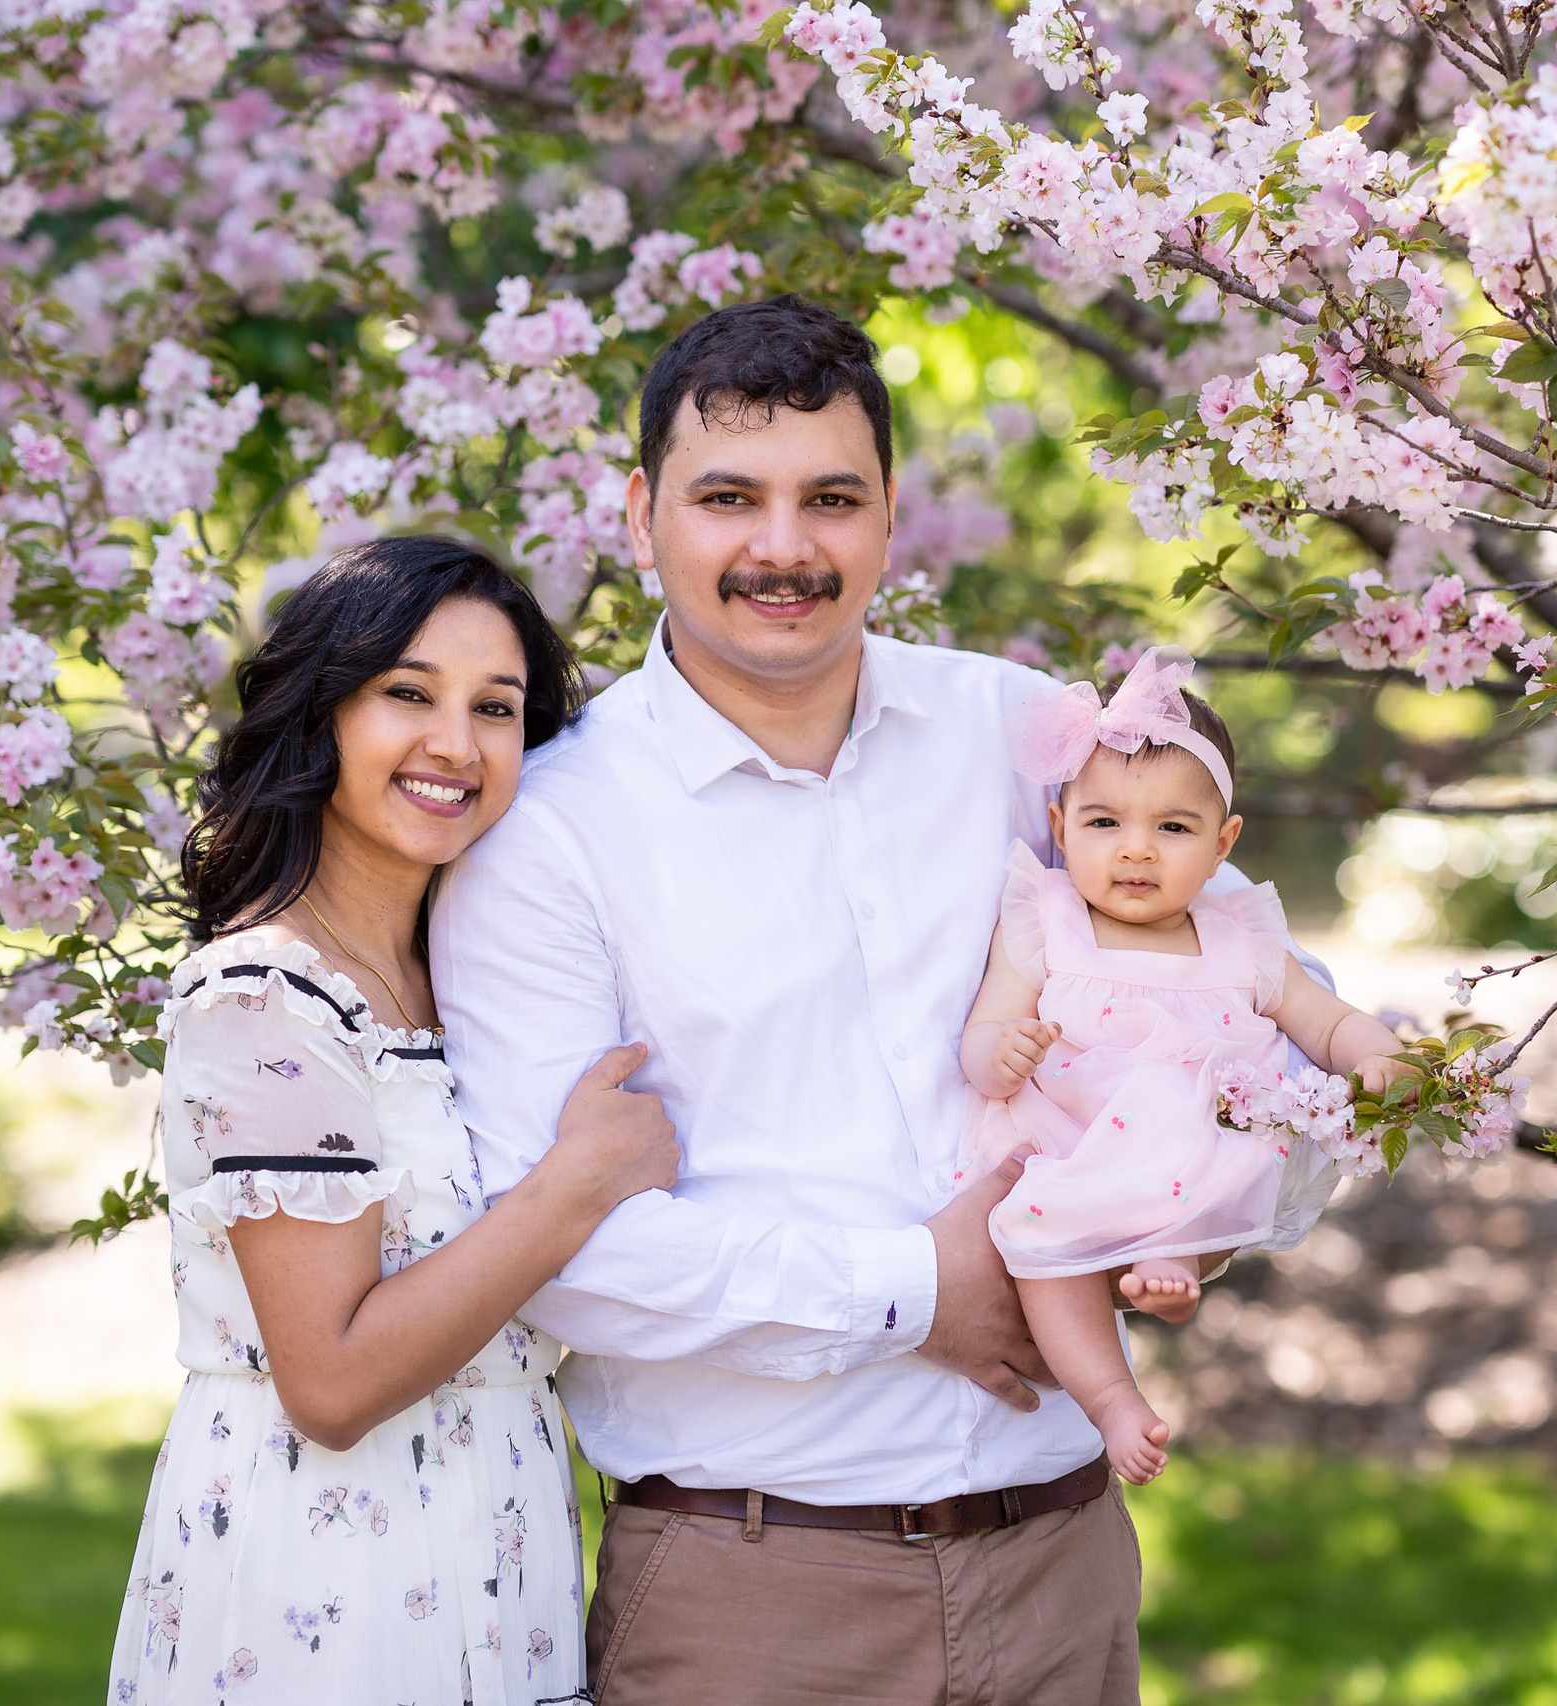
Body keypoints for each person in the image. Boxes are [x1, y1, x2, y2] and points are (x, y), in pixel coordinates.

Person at [430, 295, 1333, 1704]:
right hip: (756, 1592)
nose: (783, 548)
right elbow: (554, 1248)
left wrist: (1211, 1201)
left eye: (831, 498)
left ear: (891, 516)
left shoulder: (1025, 733)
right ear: (638, 509)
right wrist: (924, 1288)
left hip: (1063, 1557)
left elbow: (1270, 1005)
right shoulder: (546, 834)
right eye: (729, 496)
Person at [108, 537, 678, 1706]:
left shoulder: (468, 982)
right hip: (328, 1583)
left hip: (497, 1544)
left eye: (497, 708)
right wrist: (574, 1187)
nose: (455, 744)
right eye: (407, 694)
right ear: (324, 715)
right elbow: (329, 1377)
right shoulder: (265, 994)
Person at [958, 647, 1409, 1486]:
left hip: (1187, 1168)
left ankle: (1179, 1258)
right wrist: (1000, 1054)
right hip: (1072, 1153)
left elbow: (1328, 1019)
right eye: (1104, 824)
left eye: (1172, 827)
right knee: (1044, 1255)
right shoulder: (1045, 921)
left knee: (1227, 1161)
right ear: (1060, 830)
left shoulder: (1243, 942)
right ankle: (1111, 1399)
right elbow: (984, 1034)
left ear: (1222, 842)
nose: (1137, 851)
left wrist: (1379, 1056)